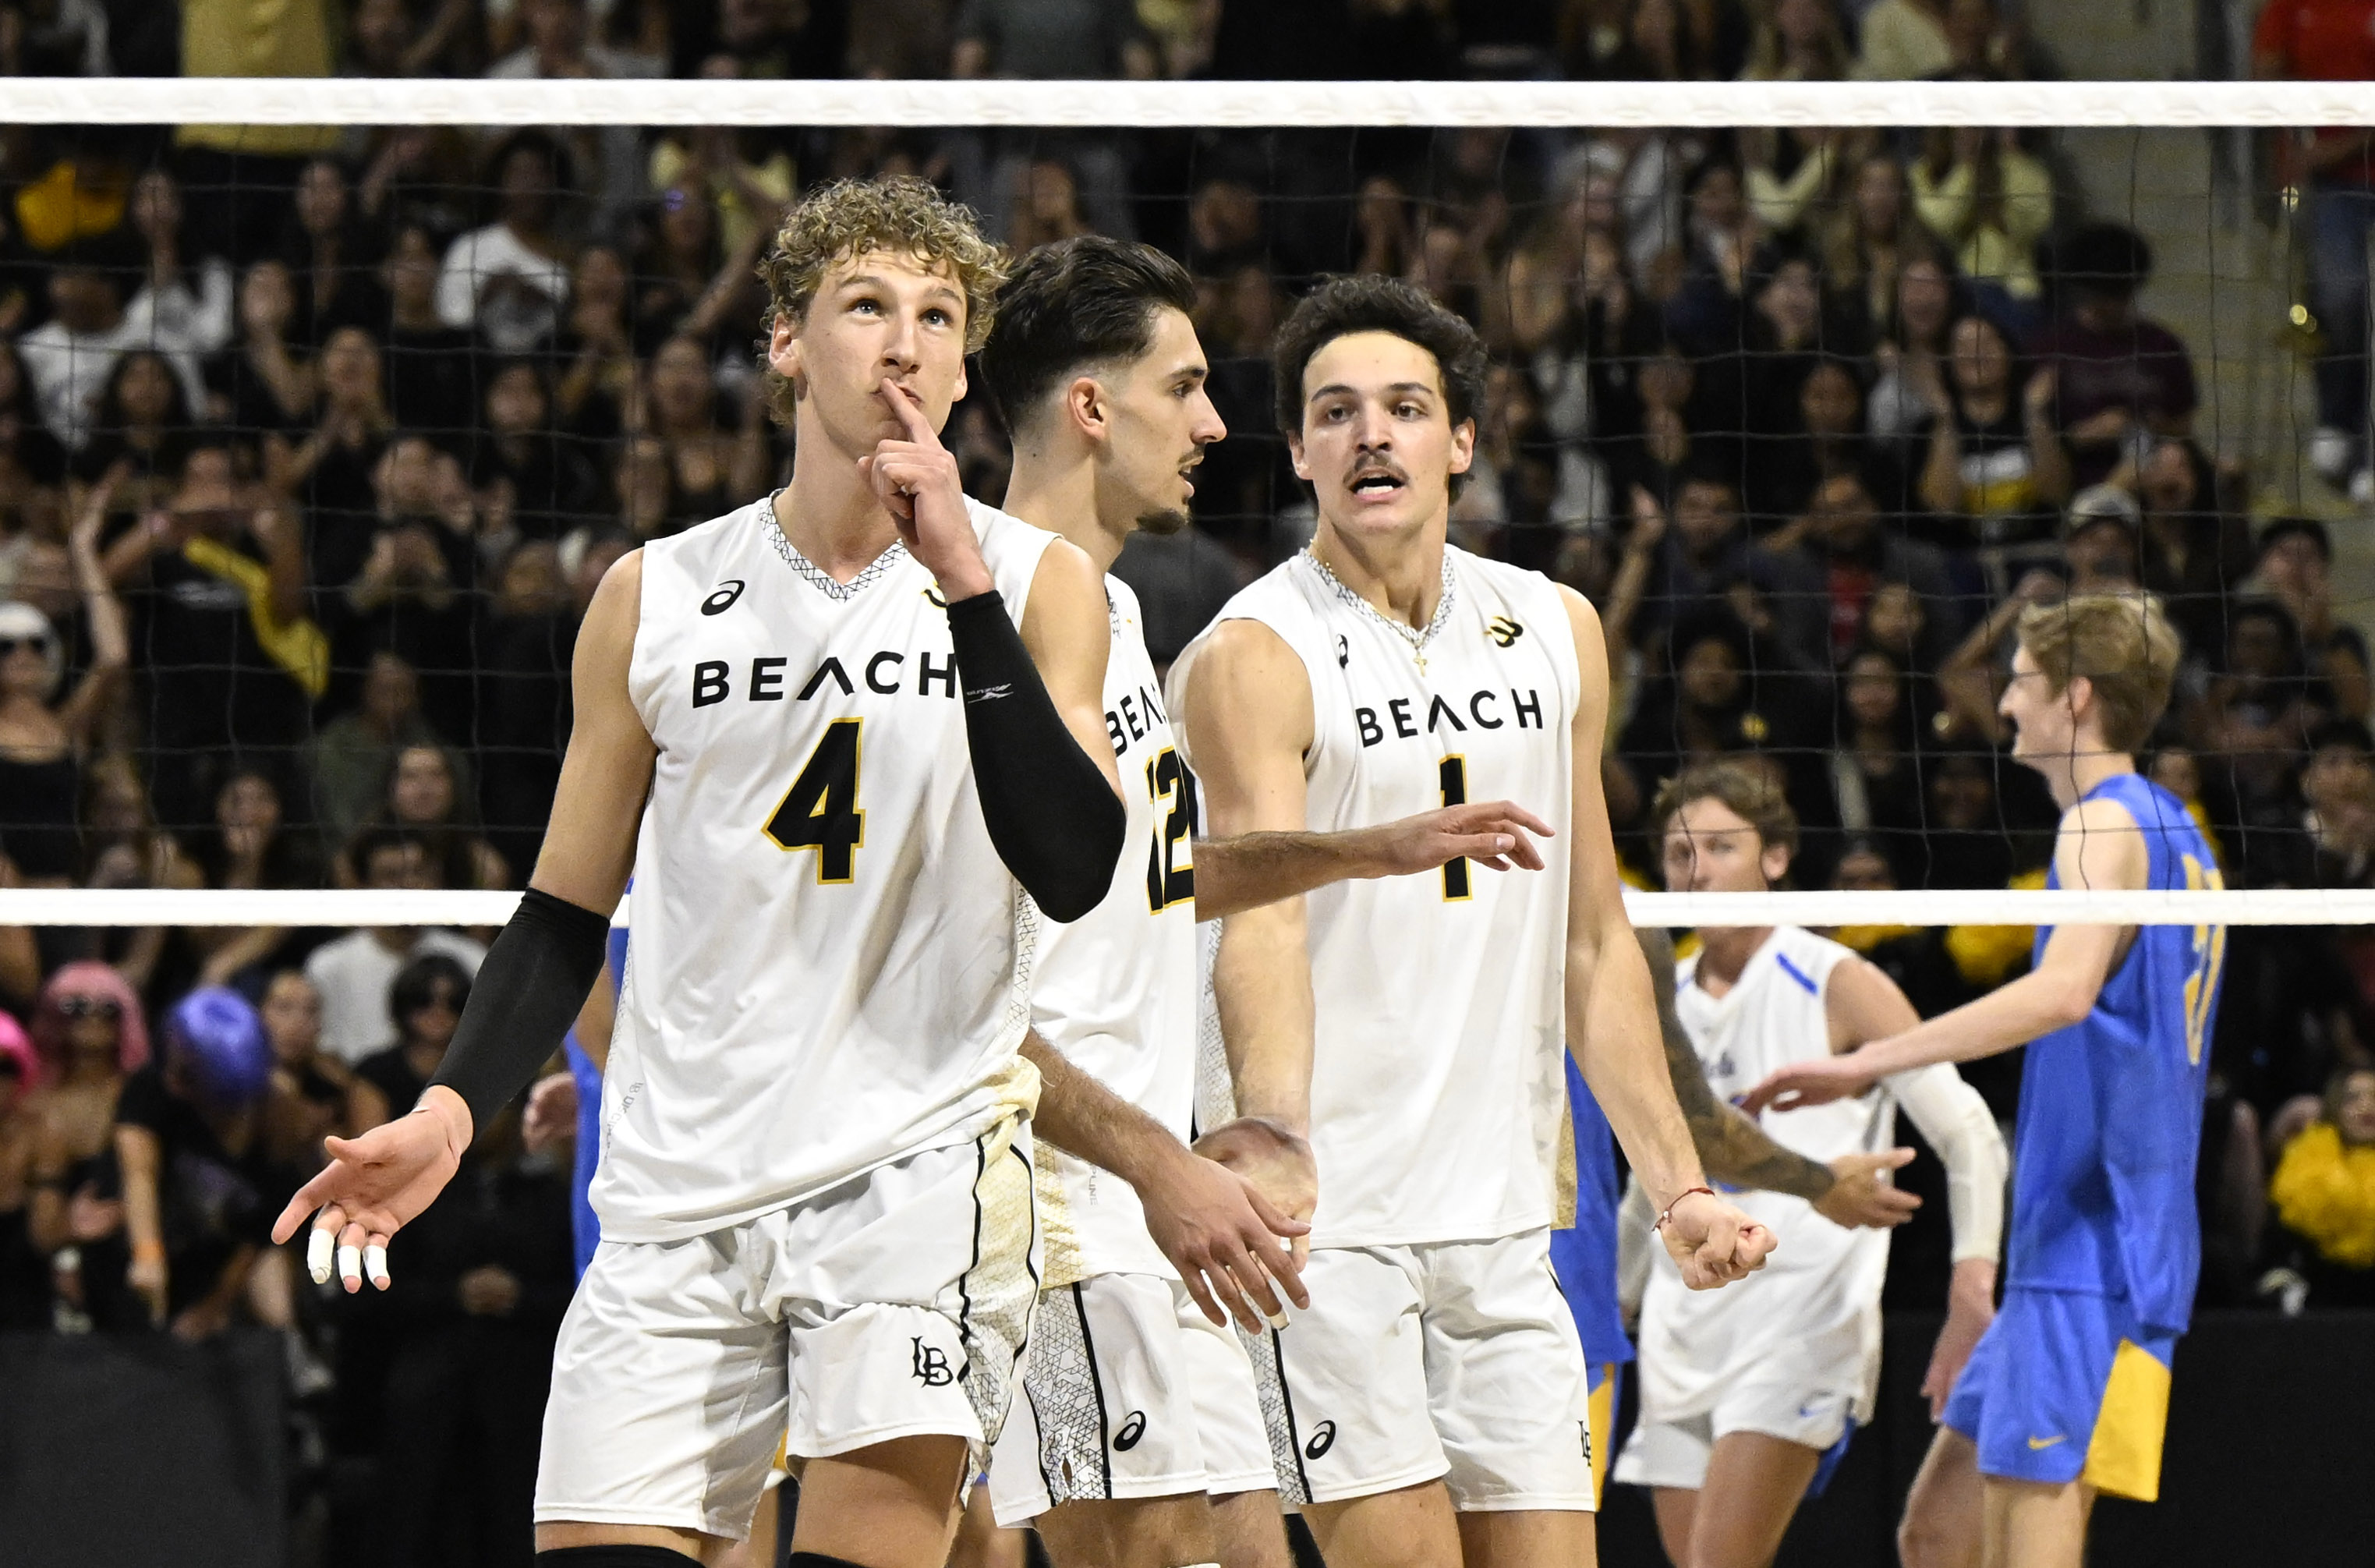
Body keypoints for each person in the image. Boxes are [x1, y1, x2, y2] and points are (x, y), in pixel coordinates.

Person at [274, 174, 1241, 1568]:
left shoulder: (1038, 586)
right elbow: (560, 911)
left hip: (914, 1184)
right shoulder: (651, 594)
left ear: (967, 365)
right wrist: (447, 1112)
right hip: (674, 1202)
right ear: (787, 340)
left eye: (936, 316)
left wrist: (963, 582)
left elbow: (1078, 862)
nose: (902, 343)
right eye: (865, 308)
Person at [1167, 274, 1773, 1568]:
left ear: (1464, 441)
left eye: (1402, 407)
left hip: (1501, 1220)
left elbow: (1593, 936)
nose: (1369, 434)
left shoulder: (1555, 629)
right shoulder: (1253, 652)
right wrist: (1276, 1142)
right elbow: (1256, 923)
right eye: (1335, 413)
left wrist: (1677, 1186)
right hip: (1330, 1225)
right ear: (1298, 452)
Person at [975, 236, 1556, 1568]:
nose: (1214, 423)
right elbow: (947, 987)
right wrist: (1153, 1163)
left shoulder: (1112, 615)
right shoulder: (981, 613)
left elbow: (1149, 877)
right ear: (1089, 408)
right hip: (1057, 1204)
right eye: (1185, 387)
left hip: (1151, 1194)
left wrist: (1362, 848)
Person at [1743, 592, 2225, 1568]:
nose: (2002, 702)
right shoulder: (2174, 825)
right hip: (2084, 1233)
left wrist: (1865, 1060)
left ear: (2076, 698)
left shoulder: (2103, 821)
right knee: (1937, 1530)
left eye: (2021, 681)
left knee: (2028, 1536)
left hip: (2095, 1241)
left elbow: (2063, 992)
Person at [1615, 763, 2007, 1568]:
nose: (1698, 870)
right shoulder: (1657, 993)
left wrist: (1971, 1282)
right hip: (1679, 1319)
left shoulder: (1836, 978)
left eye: (1723, 846)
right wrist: (1616, 1294)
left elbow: (1969, 1132)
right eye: (1680, 852)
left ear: (1777, 858)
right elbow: (1646, 1170)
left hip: (1799, 1312)